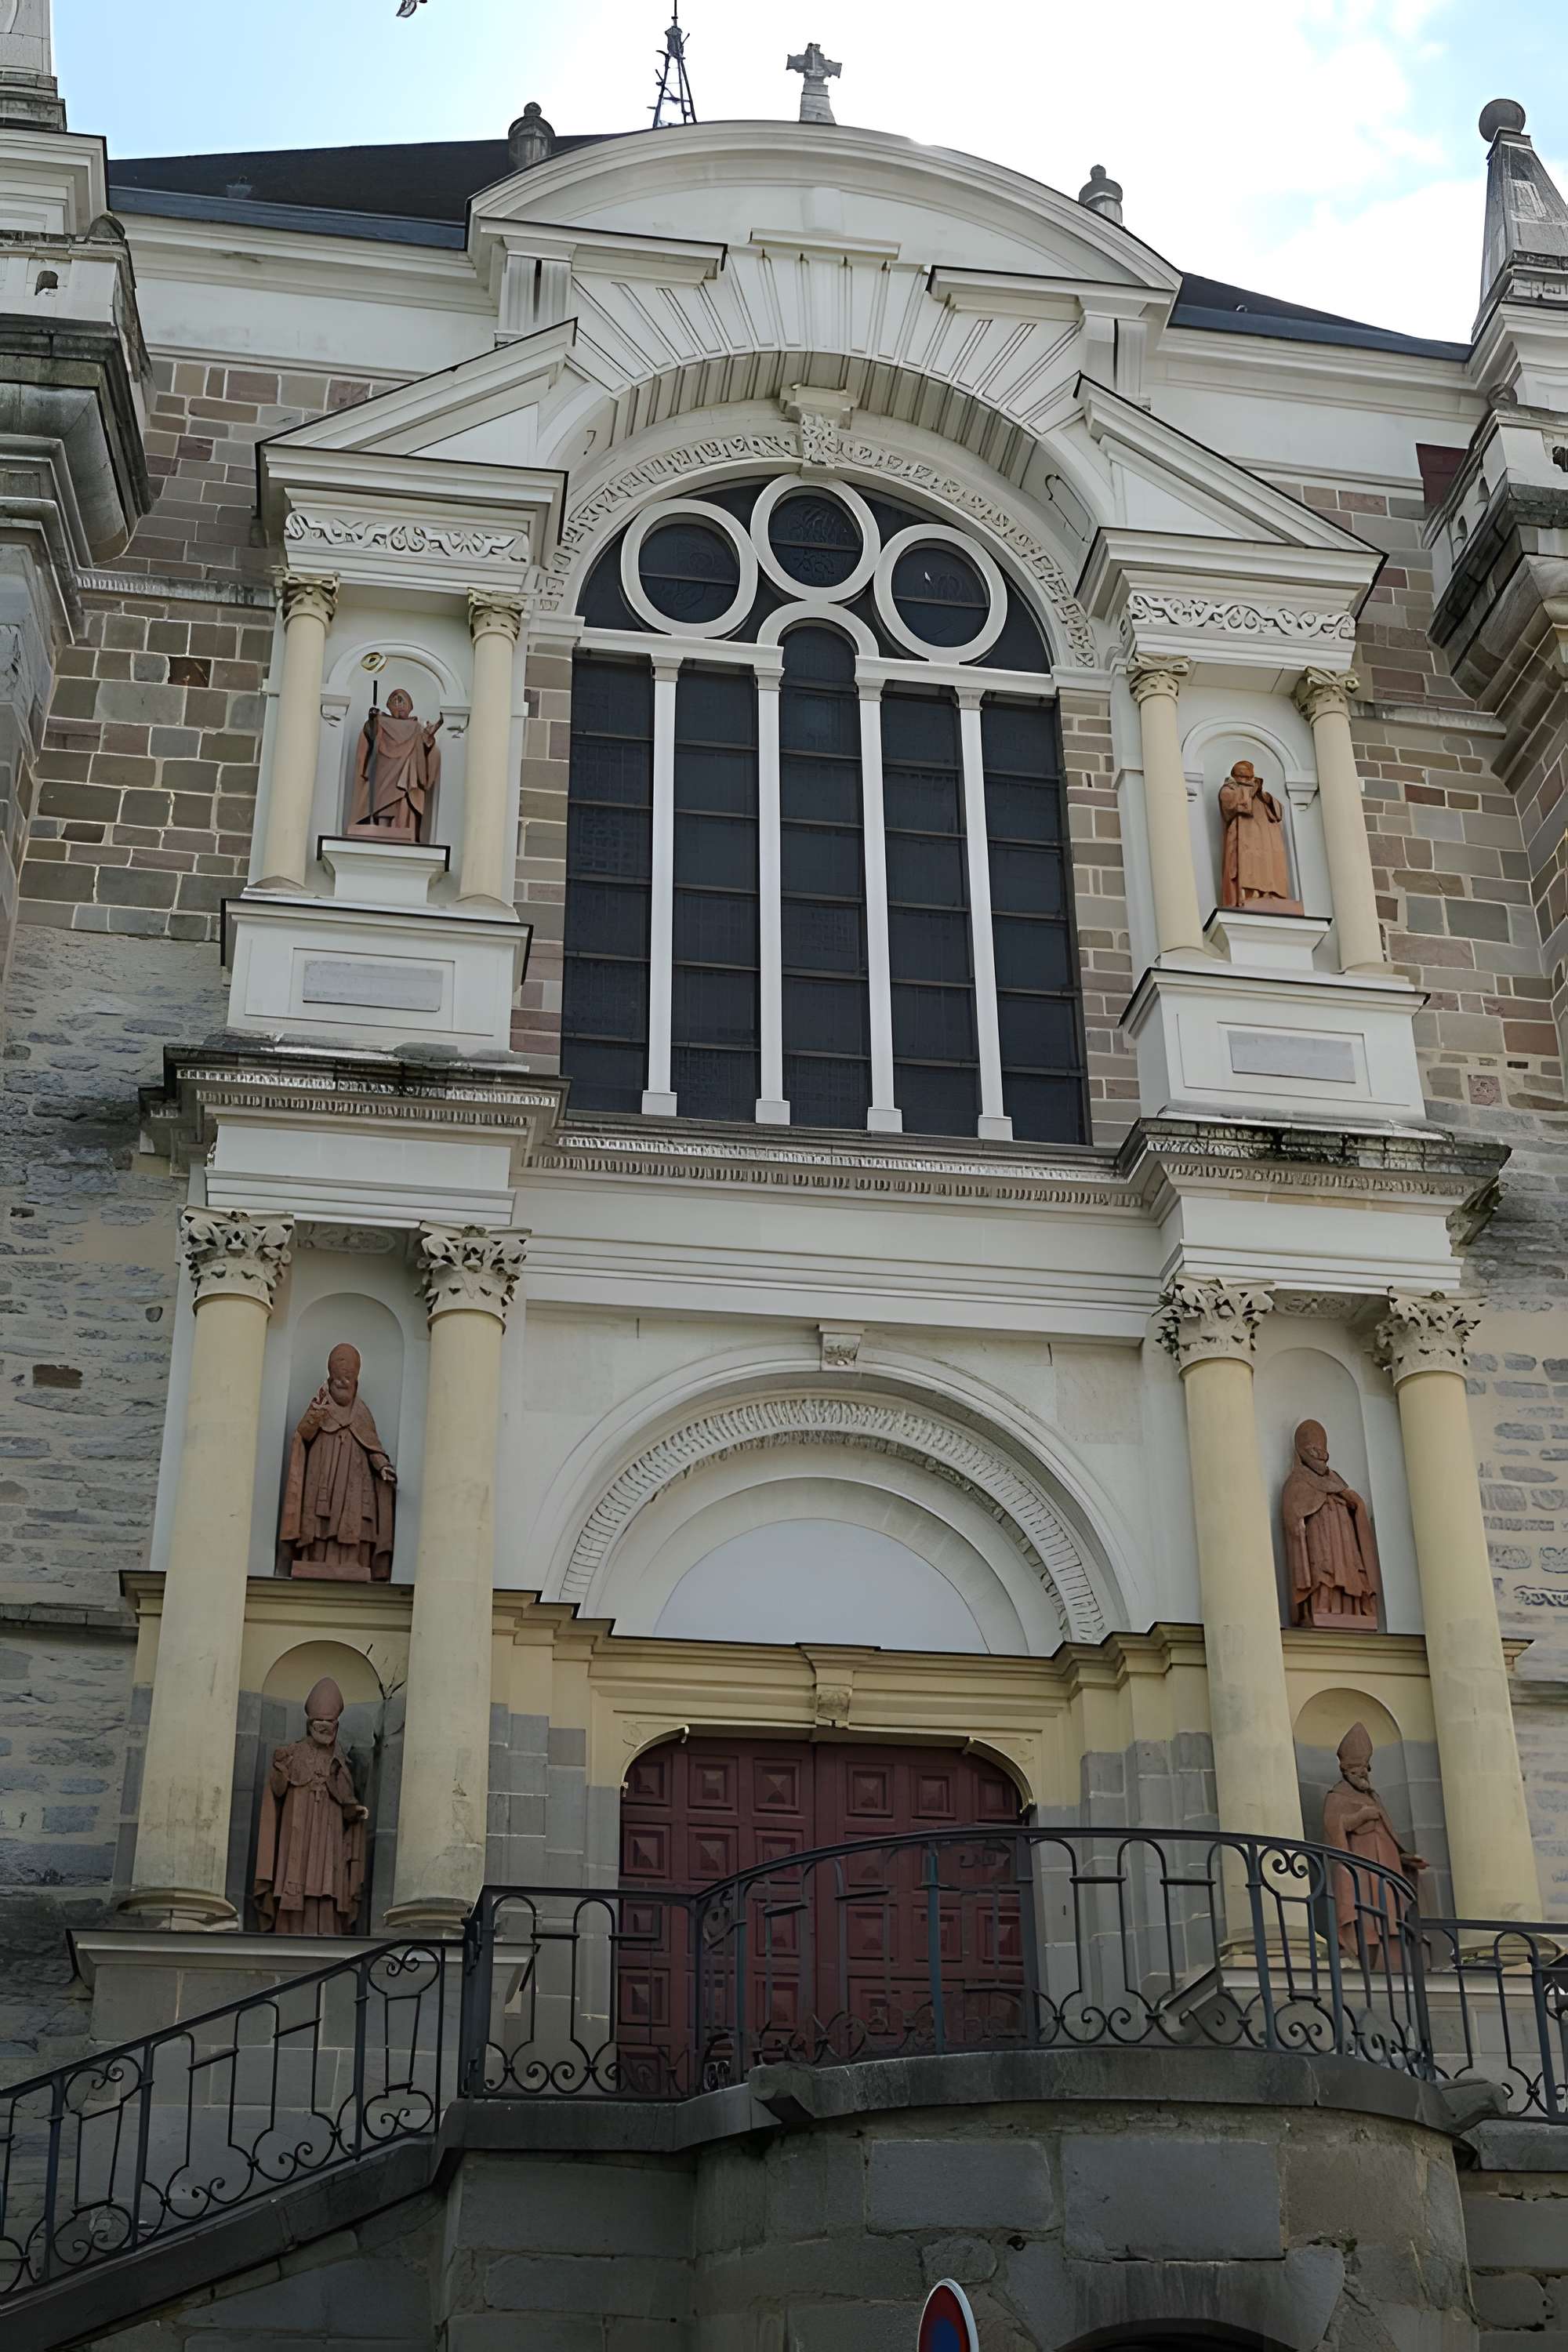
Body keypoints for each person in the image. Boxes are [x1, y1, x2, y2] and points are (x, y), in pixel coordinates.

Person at [252, 1677, 368, 1937]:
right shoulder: (291, 1754)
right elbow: (277, 1794)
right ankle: (288, 1925)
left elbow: (346, 1799)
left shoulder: (341, 1760)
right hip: (297, 1830)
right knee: (296, 1871)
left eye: (330, 1726)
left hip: (329, 1833)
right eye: (320, 1725)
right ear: (310, 1725)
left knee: (329, 1877)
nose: (325, 1730)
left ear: (336, 1727)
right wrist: (280, 1772)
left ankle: (328, 1927)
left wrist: (355, 1811)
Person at [279, 1343, 397, 1581]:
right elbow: (303, 1435)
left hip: (354, 1477)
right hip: (322, 1472)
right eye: (338, 1379)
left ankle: (353, 1561)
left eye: (348, 1378)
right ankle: (314, 1557)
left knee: (353, 1517)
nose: (343, 1383)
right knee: (318, 1517)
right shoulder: (320, 1406)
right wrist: (317, 1413)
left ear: (356, 1380)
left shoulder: (362, 1413)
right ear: (330, 1377)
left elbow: (371, 1444)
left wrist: (382, 1466)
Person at [1320, 1722, 1425, 1963]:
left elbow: (1388, 1836)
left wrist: (1405, 1859)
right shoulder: (1337, 1797)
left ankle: (1390, 1962)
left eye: (1365, 1769)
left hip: (1386, 1869)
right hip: (1361, 1870)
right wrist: (1360, 1817)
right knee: (1365, 1915)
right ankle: (1363, 1959)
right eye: (1356, 1771)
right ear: (1345, 1772)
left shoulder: (1373, 1797)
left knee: (1389, 1916)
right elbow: (1334, 1827)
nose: (1363, 1774)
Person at [1281, 1418, 1380, 1627]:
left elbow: (1354, 1501)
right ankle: (1321, 1607)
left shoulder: (1335, 1478)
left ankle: (1350, 1608)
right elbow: (1293, 1511)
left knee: (1348, 1570)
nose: (1318, 1455)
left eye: (1321, 1450)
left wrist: (1353, 1504)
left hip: (1342, 1536)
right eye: (1312, 1449)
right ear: (1303, 1451)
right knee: (1323, 1570)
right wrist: (1302, 1519)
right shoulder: (1297, 1480)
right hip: (1320, 1532)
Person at [350, 686, 441, 840]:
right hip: (383, 772)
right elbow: (370, 741)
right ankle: (379, 830)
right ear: (389, 705)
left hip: (405, 775)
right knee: (382, 805)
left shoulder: (417, 728)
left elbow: (426, 750)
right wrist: (371, 722)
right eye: (395, 701)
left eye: (402, 701)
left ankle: (403, 829)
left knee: (403, 803)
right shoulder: (380, 722)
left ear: (410, 706)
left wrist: (429, 739)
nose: (399, 705)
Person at [1218, 758, 1301, 912]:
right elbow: (1231, 806)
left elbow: (1278, 812)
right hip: (1244, 841)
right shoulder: (1229, 789)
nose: (1247, 780)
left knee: (1268, 867)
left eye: (1249, 776)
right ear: (1235, 776)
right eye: (1243, 776)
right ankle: (1248, 894)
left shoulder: (1261, 795)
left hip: (1266, 843)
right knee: (1247, 866)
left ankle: (1269, 894)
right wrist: (1250, 791)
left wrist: (1265, 797)